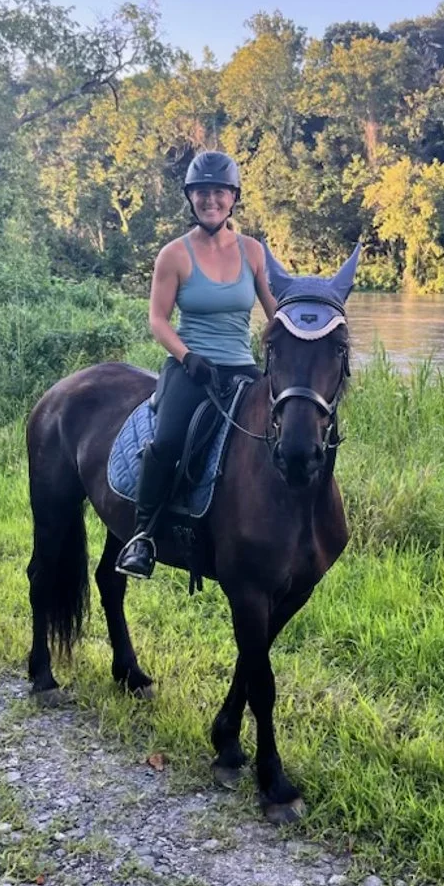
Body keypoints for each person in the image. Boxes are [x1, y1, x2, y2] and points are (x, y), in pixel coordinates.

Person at [115, 150, 278, 578]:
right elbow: (157, 320)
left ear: (233, 198)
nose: (211, 200)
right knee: (168, 440)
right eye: (202, 192)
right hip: (190, 367)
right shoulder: (174, 255)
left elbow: (274, 313)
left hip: (242, 369)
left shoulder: (253, 252)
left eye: (219, 192)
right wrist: (187, 356)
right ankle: (143, 536)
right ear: (190, 197)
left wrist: (290, 340)